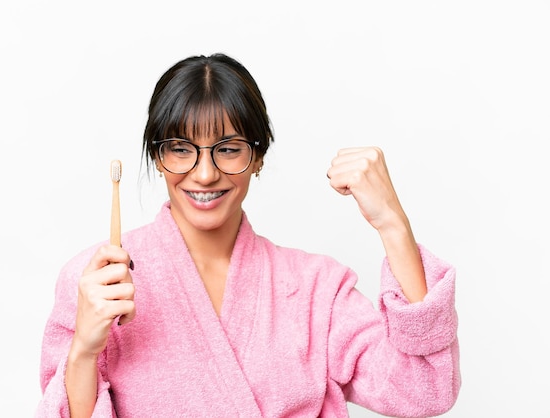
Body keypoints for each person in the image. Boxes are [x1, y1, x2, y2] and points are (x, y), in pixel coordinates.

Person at [36, 53, 461, 418]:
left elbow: (424, 387)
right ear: (157, 156)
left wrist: (393, 224)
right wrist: (84, 351)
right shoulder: (99, 283)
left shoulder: (318, 289)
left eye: (229, 148)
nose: (205, 174)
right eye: (181, 148)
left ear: (257, 157)